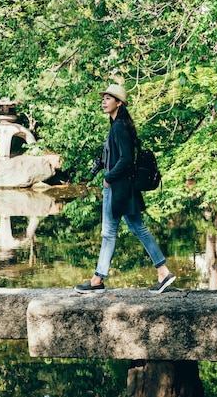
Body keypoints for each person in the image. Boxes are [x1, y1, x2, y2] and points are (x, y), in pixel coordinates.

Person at [74, 84, 176, 294]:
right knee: (137, 229)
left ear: (118, 103)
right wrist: (104, 164)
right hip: (123, 188)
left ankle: (97, 280)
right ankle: (163, 271)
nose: (104, 101)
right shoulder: (118, 126)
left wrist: (108, 178)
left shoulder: (119, 127)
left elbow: (127, 159)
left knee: (110, 233)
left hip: (117, 188)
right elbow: (120, 156)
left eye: (109, 98)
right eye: (103, 98)